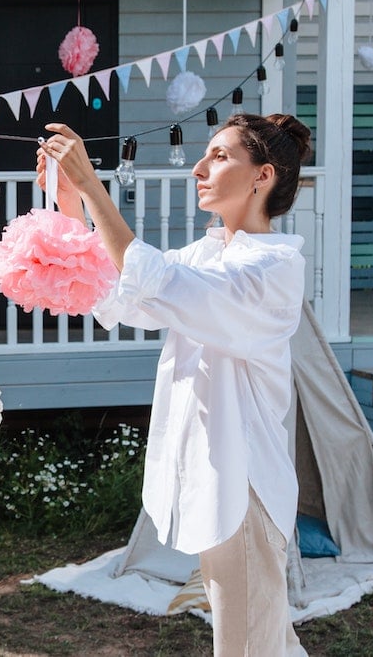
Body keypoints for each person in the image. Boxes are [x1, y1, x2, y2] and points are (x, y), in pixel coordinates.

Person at [38, 114, 312, 657]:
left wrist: (94, 186)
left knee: (251, 647)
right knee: (261, 642)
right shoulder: (211, 252)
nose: (199, 168)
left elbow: (159, 282)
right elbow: (126, 295)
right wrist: (73, 207)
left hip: (247, 485)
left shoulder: (273, 266)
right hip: (216, 478)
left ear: (263, 176)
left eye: (220, 155)